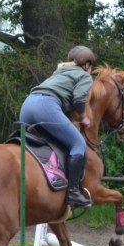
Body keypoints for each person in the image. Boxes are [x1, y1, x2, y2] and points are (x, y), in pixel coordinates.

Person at [19, 45, 98, 208]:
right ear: (87, 64)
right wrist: (84, 117)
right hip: (45, 107)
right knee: (78, 144)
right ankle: (73, 192)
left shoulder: (59, 72)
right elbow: (78, 99)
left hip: (27, 105)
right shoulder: (84, 76)